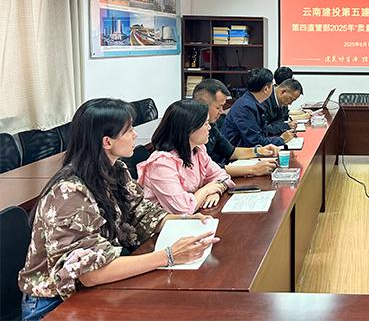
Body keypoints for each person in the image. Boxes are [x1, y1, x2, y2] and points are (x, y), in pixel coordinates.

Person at [18, 99, 217, 319]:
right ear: (107, 142)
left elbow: (141, 212)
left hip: (91, 289)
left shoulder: (116, 170)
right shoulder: (68, 192)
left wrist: (180, 220)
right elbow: (89, 273)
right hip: (53, 303)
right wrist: (168, 256)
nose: (135, 135)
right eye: (129, 130)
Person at [138, 100, 236, 215]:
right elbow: (182, 210)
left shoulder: (197, 150)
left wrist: (215, 192)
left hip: (194, 216)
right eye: (205, 124)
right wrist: (206, 190)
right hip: (167, 224)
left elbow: (222, 176)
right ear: (189, 128)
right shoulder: (161, 164)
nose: (209, 128)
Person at [193, 78, 278, 177]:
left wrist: (259, 151)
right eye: (218, 107)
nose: (221, 111)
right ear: (203, 106)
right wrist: (253, 169)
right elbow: (206, 170)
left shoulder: (212, 125)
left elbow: (230, 151)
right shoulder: (193, 131)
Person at [222, 68, 294, 147]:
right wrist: (281, 139)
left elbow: (263, 132)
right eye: (272, 85)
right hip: (237, 151)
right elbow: (255, 141)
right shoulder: (246, 107)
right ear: (266, 89)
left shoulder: (251, 102)